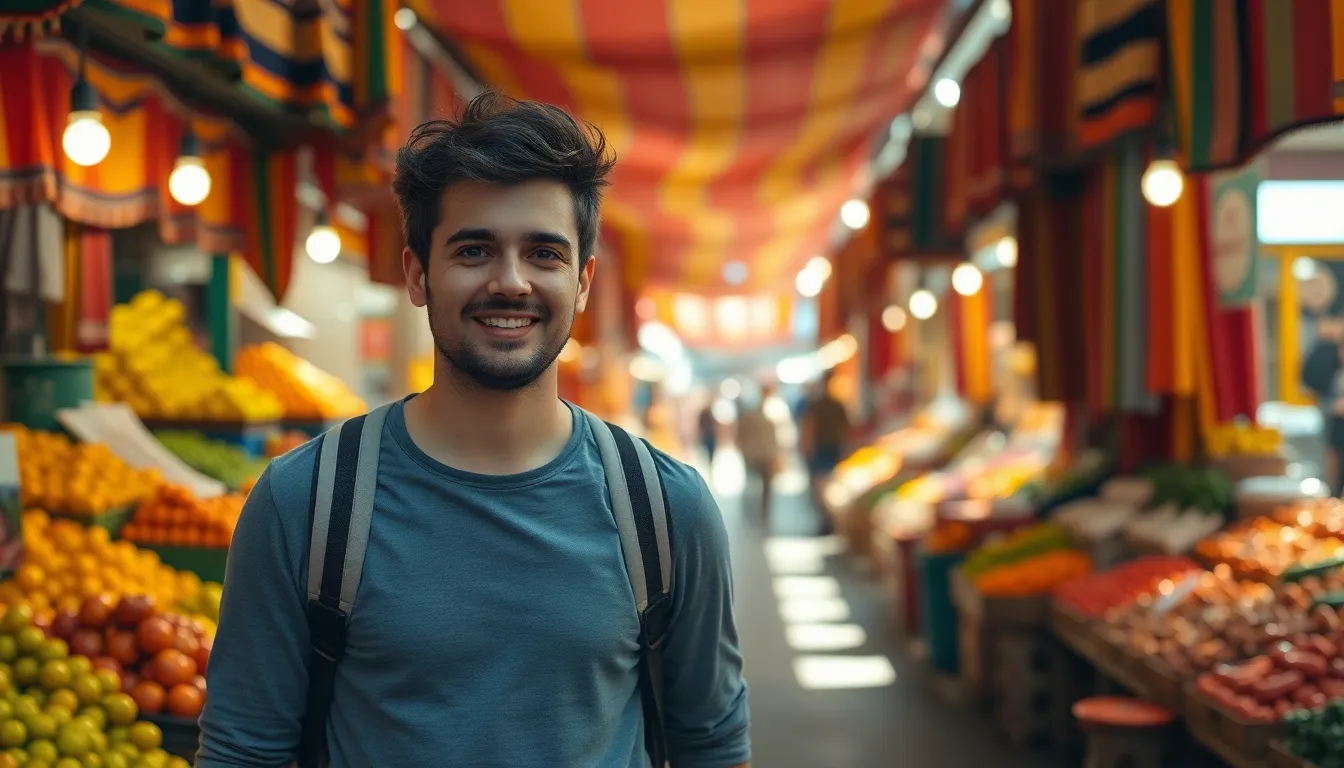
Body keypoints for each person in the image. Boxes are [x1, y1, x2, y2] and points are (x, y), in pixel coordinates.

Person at [198, 93, 751, 768]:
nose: (510, 282)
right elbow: (242, 751)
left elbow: (713, 746)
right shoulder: (304, 503)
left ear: (582, 282)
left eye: (544, 253)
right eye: (473, 250)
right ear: (416, 274)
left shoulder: (666, 511)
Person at [799, 372, 850, 533]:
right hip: (825, 447)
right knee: (825, 485)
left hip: (828, 447)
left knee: (823, 485)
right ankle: (828, 519)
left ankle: (828, 519)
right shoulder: (824, 405)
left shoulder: (829, 405)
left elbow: (809, 426)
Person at [736, 384, 781, 527]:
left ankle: (761, 512)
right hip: (757, 453)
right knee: (755, 485)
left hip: (762, 453)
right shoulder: (755, 413)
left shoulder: (773, 412)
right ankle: (756, 512)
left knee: (763, 486)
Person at [698, 396, 719, 465]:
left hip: (710, 435)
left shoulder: (711, 413)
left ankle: (710, 461)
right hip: (707, 435)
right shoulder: (706, 413)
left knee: (710, 450)